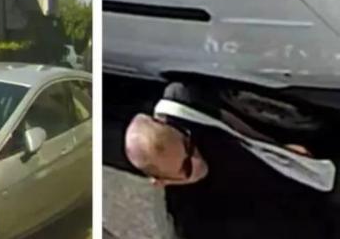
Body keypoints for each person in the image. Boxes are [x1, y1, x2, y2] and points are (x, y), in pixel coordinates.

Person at [125, 82, 340, 239]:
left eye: (189, 146)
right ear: (161, 181)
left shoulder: (188, 103)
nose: (198, 160)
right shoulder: (188, 225)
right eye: (186, 168)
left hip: (313, 169)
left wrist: (286, 142)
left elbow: (253, 108)